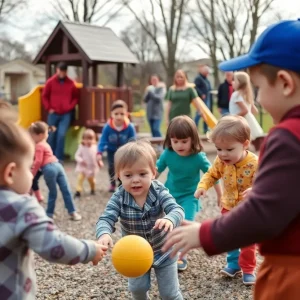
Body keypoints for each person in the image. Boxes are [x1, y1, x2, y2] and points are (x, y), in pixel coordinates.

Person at [162, 19, 300, 299]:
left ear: (285, 83)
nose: (257, 99)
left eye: (259, 89)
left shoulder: (288, 136)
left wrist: (203, 234)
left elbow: (263, 215)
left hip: (290, 272)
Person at [0, 113, 107, 299]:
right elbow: (55, 246)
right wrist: (89, 250)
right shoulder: (20, 208)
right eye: (28, 167)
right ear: (10, 173)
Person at [96, 140, 184, 300]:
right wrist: (104, 233)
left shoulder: (159, 192)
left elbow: (177, 209)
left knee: (170, 294)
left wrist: (170, 219)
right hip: (133, 255)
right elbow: (106, 218)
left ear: (153, 173)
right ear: (118, 176)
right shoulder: (119, 197)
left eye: (142, 174)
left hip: (164, 251)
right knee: (137, 289)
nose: (135, 180)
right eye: (128, 175)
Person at [194, 116, 258, 285]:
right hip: (228, 206)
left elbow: (265, 180)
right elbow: (211, 174)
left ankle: (248, 268)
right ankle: (233, 264)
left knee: (247, 239)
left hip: (248, 209)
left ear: (245, 144)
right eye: (218, 149)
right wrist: (203, 186)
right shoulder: (221, 161)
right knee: (230, 236)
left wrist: (255, 190)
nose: (223, 154)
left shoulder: (254, 163)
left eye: (229, 149)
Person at [156, 115, 222, 271]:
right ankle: (165, 250)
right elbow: (155, 171)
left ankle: (180, 256)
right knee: (168, 224)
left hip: (190, 197)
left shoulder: (198, 157)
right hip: (169, 195)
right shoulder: (167, 154)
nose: (179, 145)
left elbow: (213, 175)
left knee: (185, 224)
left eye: (184, 141)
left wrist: (220, 195)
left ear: (193, 139)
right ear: (169, 140)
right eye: (175, 141)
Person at [29, 121, 81, 221]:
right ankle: (73, 212)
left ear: (39, 135)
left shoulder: (39, 145)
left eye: (32, 136)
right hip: (58, 165)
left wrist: (32, 174)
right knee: (66, 190)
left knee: (53, 192)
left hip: (49, 168)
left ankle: (49, 214)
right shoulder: (45, 144)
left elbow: (38, 161)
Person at [97, 100, 136, 193]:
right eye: (116, 113)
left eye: (122, 114)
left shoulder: (129, 127)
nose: (119, 116)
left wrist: (133, 150)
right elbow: (103, 140)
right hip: (111, 150)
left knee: (124, 167)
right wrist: (99, 152)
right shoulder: (108, 127)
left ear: (126, 114)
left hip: (124, 151)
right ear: (112, 114)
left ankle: (121, 183)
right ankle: (112, 183)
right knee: (111, 167)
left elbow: (133, 140)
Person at [42, 62, 78, 162]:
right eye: (60, 70)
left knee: (61, 134)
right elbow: (44, 96)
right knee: (51, 134)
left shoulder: (71, 83)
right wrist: (48, 108)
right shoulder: (50, 82)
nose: (61, 73)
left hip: (66, 114)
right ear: (57, 70)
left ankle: (59, 158)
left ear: (66, 72)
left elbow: (75, 97)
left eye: (64, 71)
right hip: (53, 114)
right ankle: (48, 156)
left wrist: (70, 106)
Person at [229, 72, 264, 141]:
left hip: (239, 122)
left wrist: (232, 117)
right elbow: (255, 111)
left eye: (234, 80)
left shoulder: (236, 95)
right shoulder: (246, 95)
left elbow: (245, 110)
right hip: (247, 120)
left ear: (239, 82)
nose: (232, 82)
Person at [74, 129, 98, 198]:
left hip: (91, 168)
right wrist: (81, 160)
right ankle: (78, 191)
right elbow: (76, 155)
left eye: (91, 139)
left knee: (92, 181)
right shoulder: (81, 147)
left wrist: (99, 162)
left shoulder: (95, 148)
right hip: (83, 168)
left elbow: (97, 156)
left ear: (94, 140)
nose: (88, 141)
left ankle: (93, 189)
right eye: (86, 139)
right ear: (83, 139)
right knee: (80, 179)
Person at [194, 65, 212, 132]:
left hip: (207, 97)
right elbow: (195, 87)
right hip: (201, 99)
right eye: (207, 72)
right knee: (199, 113)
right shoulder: (198, 78)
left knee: (206, 114)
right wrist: (201, 94)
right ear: (203, 71)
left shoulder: (206, 79)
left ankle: (206, 128)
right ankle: (194, 126)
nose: (207, 73)